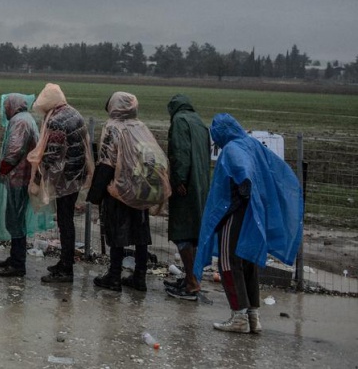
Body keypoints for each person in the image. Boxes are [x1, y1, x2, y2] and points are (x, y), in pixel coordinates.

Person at [195, 113, 303, 334]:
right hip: (256, 212)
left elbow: (243, 172)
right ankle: (253, 315)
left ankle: (239, 316)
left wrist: (241, 191)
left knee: (228, 263)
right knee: (247, 262)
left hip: (235, 212)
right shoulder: (252, 144)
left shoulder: (233, 148)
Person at [89, 92, 170, 293]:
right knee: (141, 233)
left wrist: (96, 194)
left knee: (117, 231)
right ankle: (139, 276)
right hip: (141, 186)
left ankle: (114, 275)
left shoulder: (113, 128)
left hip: (119, 187)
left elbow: (107, 161)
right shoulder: (140, 127)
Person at [27, 83, 93, 283]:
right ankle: (65, 263)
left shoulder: (56, 121)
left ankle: (66, 268)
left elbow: (51, 154)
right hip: (77, 175)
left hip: (65, 178)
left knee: (65, 222)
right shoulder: (74, 113)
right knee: (67, 221)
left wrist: (38, 180)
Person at [164, 94, 212, 300]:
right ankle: (191, 277)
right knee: (194, 234)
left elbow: (180, 152)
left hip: (186, 186)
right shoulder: (199, 122)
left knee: (182, 232)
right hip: (200, 184)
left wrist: (178, 180)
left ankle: (192, 283)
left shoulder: (179, 121)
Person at [0, 93, 39, 277]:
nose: (4, 110)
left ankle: (18, 264)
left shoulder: (19, 122)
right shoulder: (26, 118)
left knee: (15, 220)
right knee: (16, 219)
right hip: (24, 176)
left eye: (6, 106)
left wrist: (3, 170)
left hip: (19, 177)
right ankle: (15, 257)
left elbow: (14, 151)